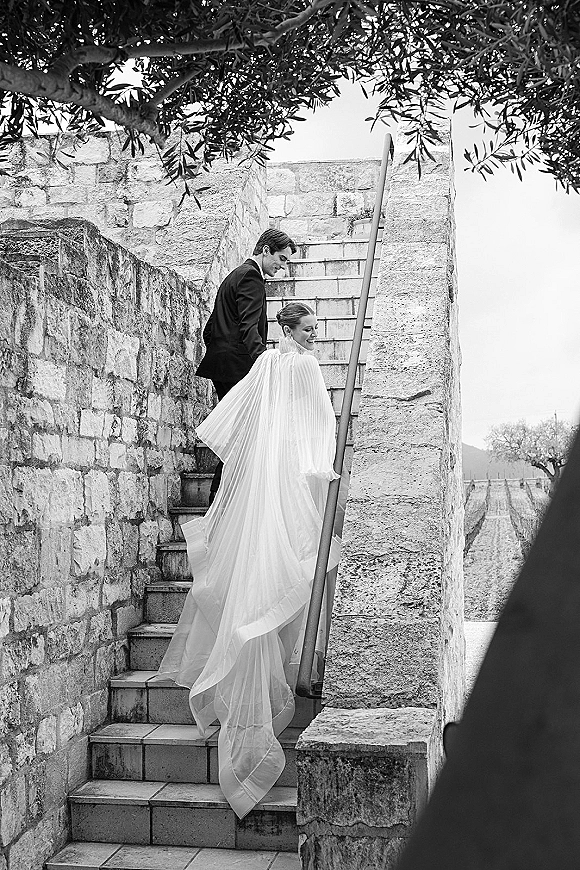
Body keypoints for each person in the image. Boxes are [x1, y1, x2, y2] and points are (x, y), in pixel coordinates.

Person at [154, 302, 342, 818]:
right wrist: (319, 472)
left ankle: (260, 683)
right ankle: (284, 674)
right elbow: (320, 424)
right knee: (294, 570)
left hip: (269, 478)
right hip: (292, 479)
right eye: (308, 329)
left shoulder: (267, 364)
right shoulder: (303, 367)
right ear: (290, 329)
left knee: (265, 573)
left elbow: (244, 418)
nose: (314, 337)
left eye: (315, 330)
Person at [196, 229, 297, 504]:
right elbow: (249, 327)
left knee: (240, 433)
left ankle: (224, 499)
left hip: (223, 366)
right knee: (244, 435)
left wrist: (222, 352)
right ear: (265, 250)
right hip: (239, 368)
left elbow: (209, 329)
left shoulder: (234, 275)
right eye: (281, 258)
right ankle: (221, 499)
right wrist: (263, 362)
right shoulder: (252, 277)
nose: (283, 266)